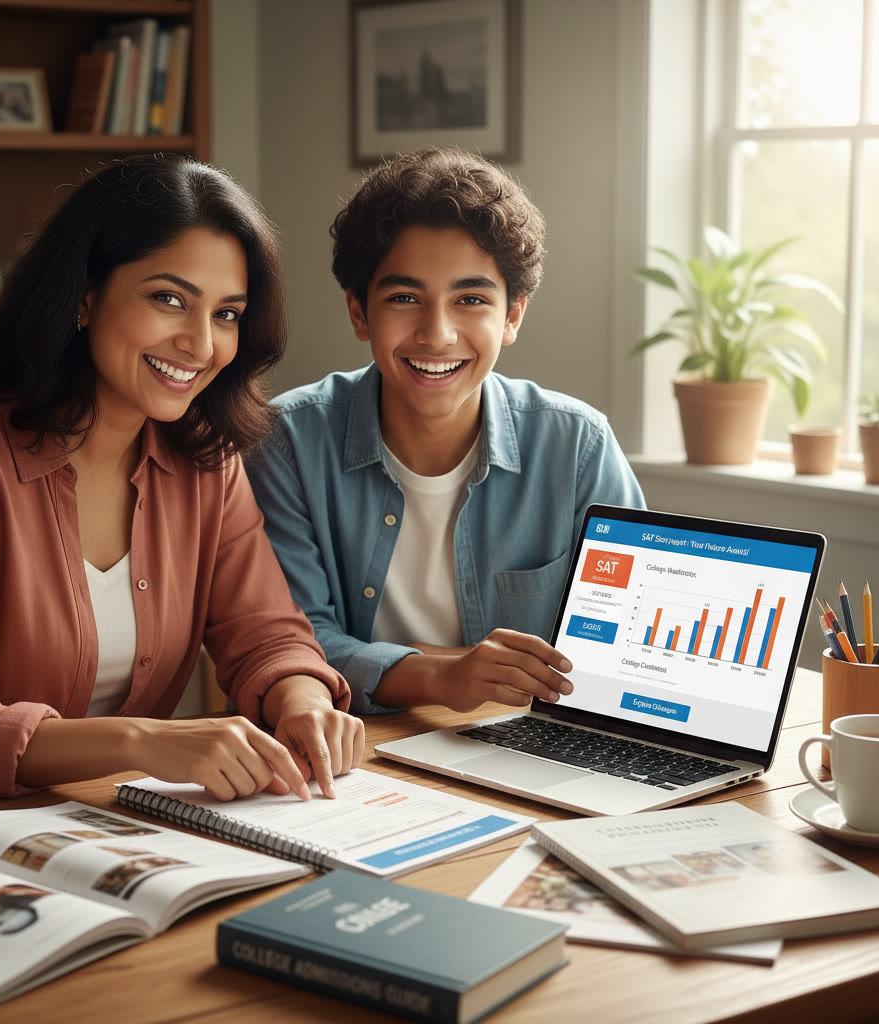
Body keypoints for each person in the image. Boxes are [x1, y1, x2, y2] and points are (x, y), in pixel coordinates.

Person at [0, 153, 363, 800]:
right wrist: (141, 742)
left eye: (226, 314)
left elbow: (266, 635)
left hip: (129, 826)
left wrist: (302, 699)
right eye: (169, 299)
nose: (201, 345)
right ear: (85, 295)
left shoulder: (207, 460)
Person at [247, 146, 645, 716]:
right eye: (404, 298)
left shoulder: (578, 447)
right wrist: (444, 676)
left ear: (512, 316)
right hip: (360, 744)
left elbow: (628, 645)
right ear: (359, 312)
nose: (437, 334)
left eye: (471, 299)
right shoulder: (288, 443)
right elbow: (292, 644)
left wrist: (463, 675)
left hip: (525, 741)